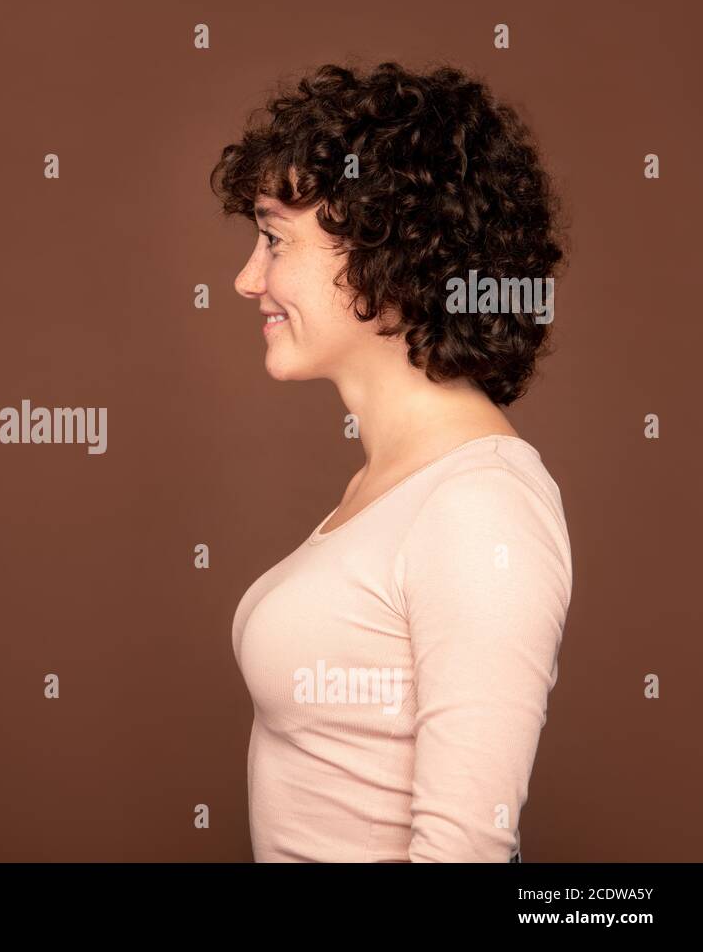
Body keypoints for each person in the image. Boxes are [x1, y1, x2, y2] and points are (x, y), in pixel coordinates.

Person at [211, 62, 572, 862]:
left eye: (274, 239)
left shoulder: (482, 506)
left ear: (388, 250)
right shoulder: (394, 486)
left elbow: (466, 852)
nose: (246, 279)